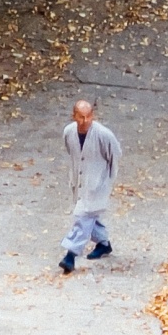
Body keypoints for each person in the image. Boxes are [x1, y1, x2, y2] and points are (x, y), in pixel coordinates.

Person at [60, 98, 120, 273]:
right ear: (74, 116)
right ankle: (103, 243)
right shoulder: (69, 132)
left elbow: (115, 155)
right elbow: (72, 153)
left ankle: (70, 255)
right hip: (80, 181)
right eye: (81, 117)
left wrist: (107, 179)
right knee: (89, 215)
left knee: (82, 216)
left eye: (88, 116)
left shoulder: (104, 135)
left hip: (97, 183)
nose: (85, 120)